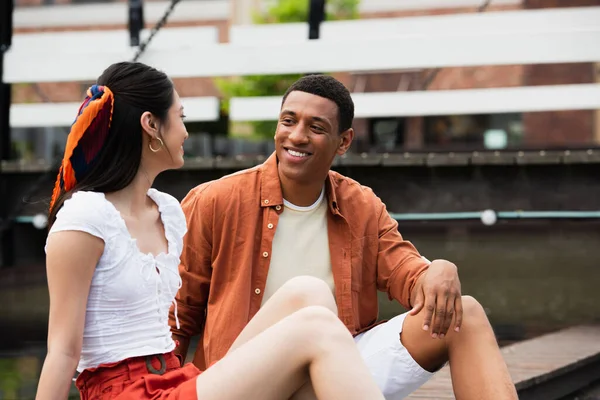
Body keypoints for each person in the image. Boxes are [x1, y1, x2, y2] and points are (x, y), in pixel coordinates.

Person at [36, 61, 386, 400]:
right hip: (126, 394)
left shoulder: (168, 212)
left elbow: (173, 323)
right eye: (180, 118)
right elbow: (63, 353)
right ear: (151, 125)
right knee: (316, 331)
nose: (186, 131)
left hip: (172, 380)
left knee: (309, 293)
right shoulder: (85, 219)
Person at [170, 74, 518, 399]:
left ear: (344, 142)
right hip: (250, 378)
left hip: (333, 371)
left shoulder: (361, 205)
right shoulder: (215, 200)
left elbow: (405, 271)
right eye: (288, 121)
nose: (297, 136)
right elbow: (176, 313)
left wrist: (437, 269)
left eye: (316, 127)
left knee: (464, 313)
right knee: (311, 296)